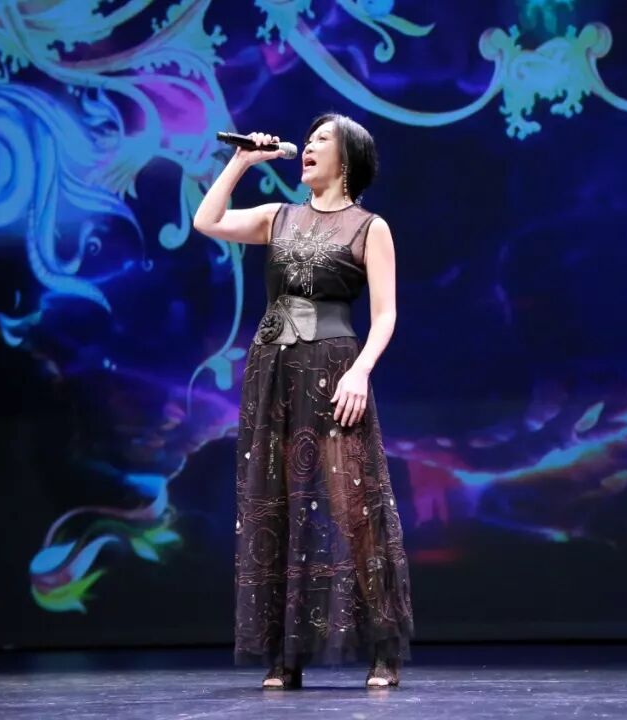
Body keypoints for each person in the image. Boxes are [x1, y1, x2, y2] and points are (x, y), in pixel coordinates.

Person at [192, 114, 414, 689]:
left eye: (321, 141)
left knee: (352, 506)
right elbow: (206, 220)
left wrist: (361, 372)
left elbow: (385, 313)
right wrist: (243, 161)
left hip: (333, 371)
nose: (308, 147)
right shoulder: (278, 217)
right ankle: (285, 655)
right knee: (278, 505)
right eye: (308, 140)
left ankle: (384, 648)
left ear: (348, 158)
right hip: (273, 372)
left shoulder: (369, 227)